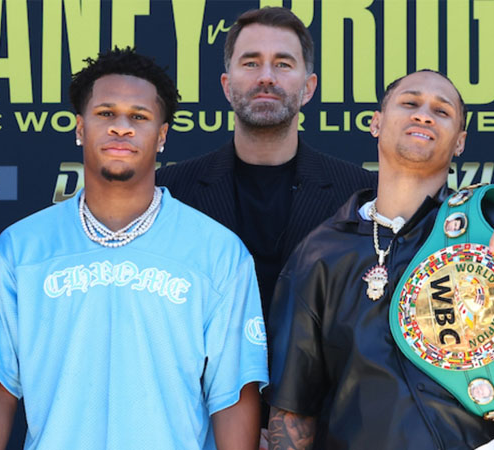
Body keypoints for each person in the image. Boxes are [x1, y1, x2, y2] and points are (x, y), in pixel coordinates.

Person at [267, 70, 494, 449]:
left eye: (441, 111)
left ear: (460, 142)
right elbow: (293, 412)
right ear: (376, 123)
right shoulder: (320, 252)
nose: (424, 115)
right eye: (410, 103)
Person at [0, 48, 268, 450]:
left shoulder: (218, 253)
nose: (121, 128)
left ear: (161, 135)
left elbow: (232, 395)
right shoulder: (20, 250)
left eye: (139, 117)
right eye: (106, 113)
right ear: (80, 128)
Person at [155, 7, 376, 316]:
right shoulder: (168, 194)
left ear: (309, 87)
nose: (266, 77)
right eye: (251, 63)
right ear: (225, 85)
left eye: (283, 64)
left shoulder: (361, 196)